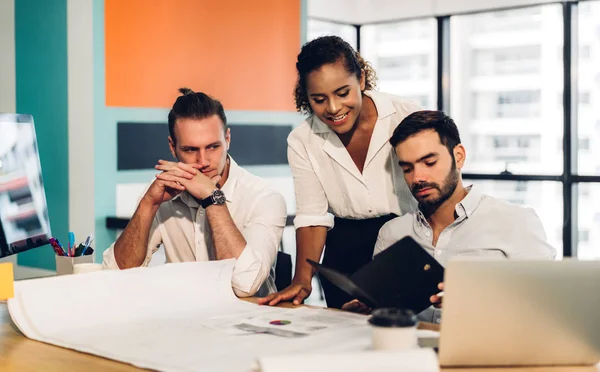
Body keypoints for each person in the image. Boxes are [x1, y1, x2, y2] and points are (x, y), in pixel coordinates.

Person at [342, 110, 556, 321]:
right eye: (407, 168)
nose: (418, 177)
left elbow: (548, 306)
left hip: (486, 352)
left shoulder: (515, 222)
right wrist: (367, 313)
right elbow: (387, 311)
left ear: (459, 156)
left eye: (429, 162)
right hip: (410, 351)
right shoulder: (392, 233)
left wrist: (475, 299)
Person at [259, 36, 420, 309]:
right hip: (345, 254)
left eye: (343, 93)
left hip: (406, 245)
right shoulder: (302, 140)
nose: (333, 109)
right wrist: (301, 280)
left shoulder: (406, 116)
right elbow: (312, 215)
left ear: (362, 80)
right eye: (319, 99)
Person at [103, 88, 287, 297]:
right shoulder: (161, 193)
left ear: (227, 139)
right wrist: (149, 205)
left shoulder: (264, 198)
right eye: (190, 150)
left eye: (212, 147)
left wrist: (213, 198)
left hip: (249, 322)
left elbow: (244, 285)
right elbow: (114, 275)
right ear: (173, 147)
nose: (203, 161)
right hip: (185, 320)